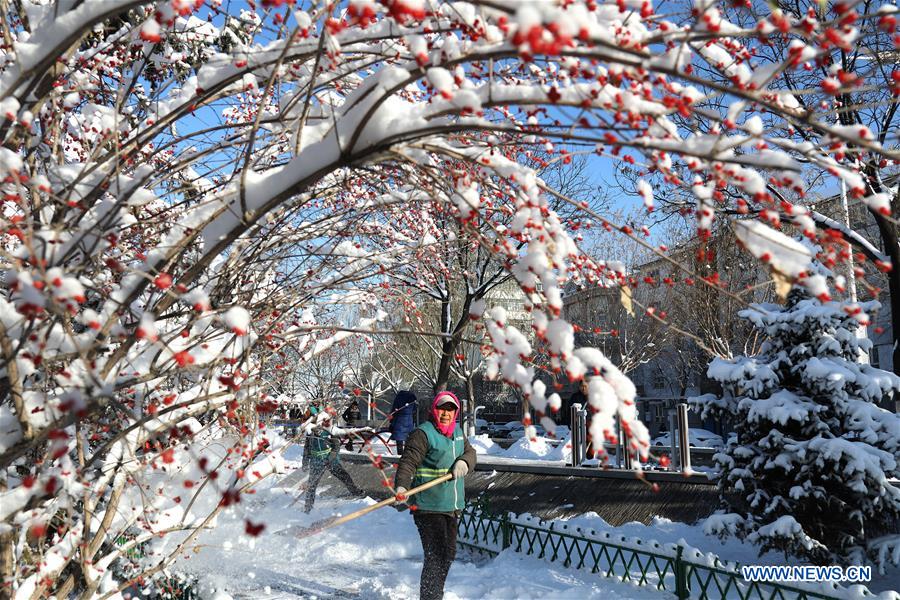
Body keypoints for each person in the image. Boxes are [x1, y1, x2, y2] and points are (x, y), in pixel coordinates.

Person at [394, 391, 476, 600]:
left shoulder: (457, 433)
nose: (446, 414)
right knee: (436, 556)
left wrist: (464, 462)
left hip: (451, 506)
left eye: (451, 410)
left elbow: (471, 452)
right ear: (434, 410)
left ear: (456, 412)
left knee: (447, 555)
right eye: (442, 409)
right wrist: (402, 487)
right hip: (427, 506)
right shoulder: (423, 433)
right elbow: (408, 462)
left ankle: (432, 595)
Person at [301, 409, 363, 513]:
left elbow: (336, 446)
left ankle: (355, 491)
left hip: (330, 459)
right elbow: (307, 448)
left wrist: (330, 459)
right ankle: (308, 508)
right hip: (316, 461)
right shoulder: (310, 432)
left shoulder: (329, 430)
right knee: (312, 485)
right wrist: (305, 463)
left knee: (344, 476)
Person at [388, 390, 417, 454]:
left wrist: (391, 421)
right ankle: (407, 455)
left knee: (399, 440)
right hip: (409, 421)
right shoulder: (412, 399)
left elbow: (394, 410)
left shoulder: (399, 397)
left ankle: (399, 454)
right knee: (408, 440)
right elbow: (414, 410)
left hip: (399, 421)